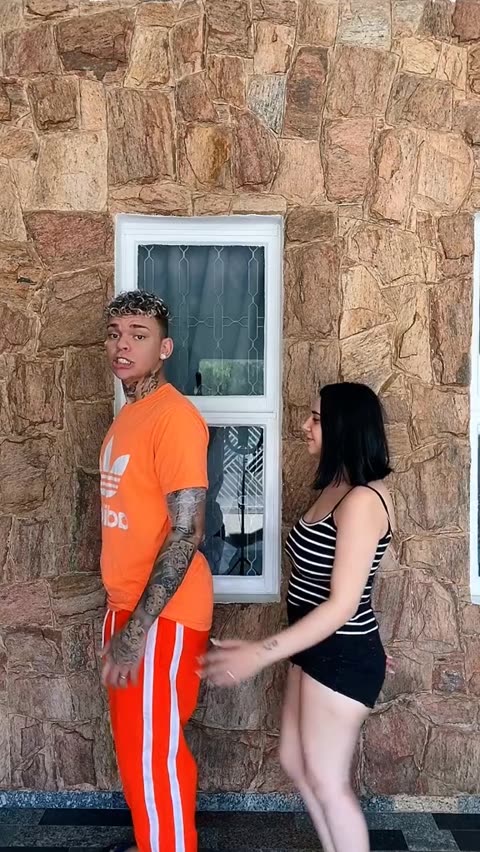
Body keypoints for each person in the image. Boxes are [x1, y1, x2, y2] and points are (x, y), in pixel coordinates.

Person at [201, 382, 395, 852]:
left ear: (345, 428)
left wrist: (259, 653)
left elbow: (343, 605)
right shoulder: (335, 488)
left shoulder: (363, 501)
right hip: (315, 648)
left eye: (316, 419)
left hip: (342, 655)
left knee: (328, 782)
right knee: (295, 760)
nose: (304, 426)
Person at [100, 290, 213, 852]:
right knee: (143, 750)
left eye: (138, 335)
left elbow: (187, 532)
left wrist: (136, 631)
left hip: (161, 616)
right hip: (131, 608)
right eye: (115, 333)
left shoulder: (173, 418)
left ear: (164, 348)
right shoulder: (131, 416)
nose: (123, 344)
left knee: (150, 759)